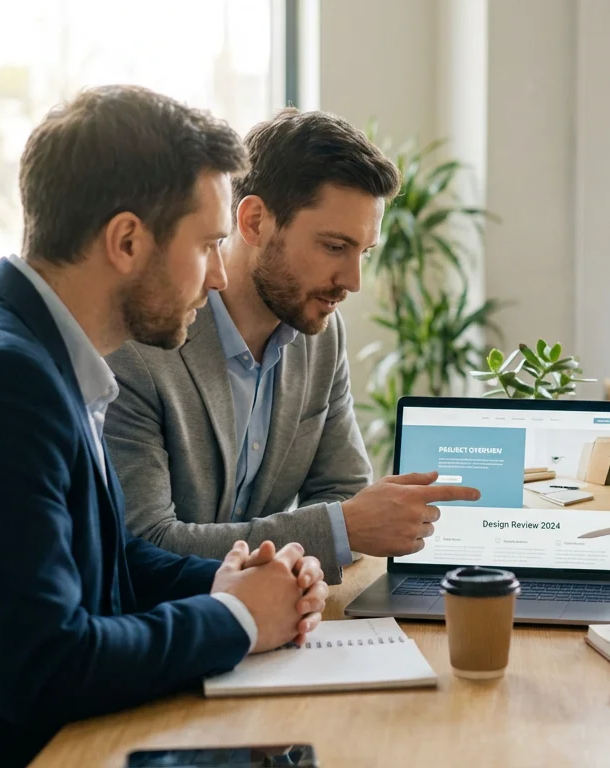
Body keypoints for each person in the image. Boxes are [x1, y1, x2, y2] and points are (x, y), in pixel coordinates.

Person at [0, 86, 330, 767]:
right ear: (126, 240)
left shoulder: (28, 348)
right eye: (208, 245)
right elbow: (47, 668)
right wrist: (239, 618)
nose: (217, 277)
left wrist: (226, 582)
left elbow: (104, 561)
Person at [104, 109, 480, 584]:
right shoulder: (139, 345)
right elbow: (144, 545)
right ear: (255, 221)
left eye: (364, 252)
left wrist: (335, 531)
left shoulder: (320, 336)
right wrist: (339, 529)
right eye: (334, 247)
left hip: (282, 623)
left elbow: (341, 488)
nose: (353, 281)